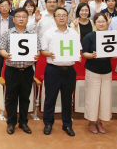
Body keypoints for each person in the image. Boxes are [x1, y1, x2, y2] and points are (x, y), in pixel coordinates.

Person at [0, 8, 41, 134]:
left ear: (27, 19)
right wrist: (7, 55)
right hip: (12, 70)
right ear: (14, 19)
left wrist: (37, 55)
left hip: (27, 70)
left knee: (25, 97)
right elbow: (1, 49)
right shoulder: (7, 33)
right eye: (18, 16)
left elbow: (38, 49)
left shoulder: (33, 34)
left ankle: (23, 122)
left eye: (24, 17)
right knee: (11, 97)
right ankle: (11, 123)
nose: (21, 19)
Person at [40, 7, 80, 137]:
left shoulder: (74, 33)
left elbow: (78, 50)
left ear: (68, 17)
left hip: (69, 70)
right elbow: (42, 51)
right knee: (50, 98)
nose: (61, 17)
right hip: (53, 70)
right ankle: (48, 123)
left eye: (64, 15)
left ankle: (67, 124)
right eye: (59, 15)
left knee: (67, 99)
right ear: (54, 18)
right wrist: (50, 54)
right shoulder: (49, 33)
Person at [81, 13, 113, 134]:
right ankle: (92, 122)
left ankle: (100, 121)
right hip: (92, 70)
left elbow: (113, 53)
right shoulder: (89, 37)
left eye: (103, 22)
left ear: (107, 23)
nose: (101, 24)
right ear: (94, 23)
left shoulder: (111, 36)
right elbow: (84, 54)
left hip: (107, 70)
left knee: (105, 98)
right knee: (92, 97)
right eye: (98, 22)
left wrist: (116, 54)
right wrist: (92, 55)